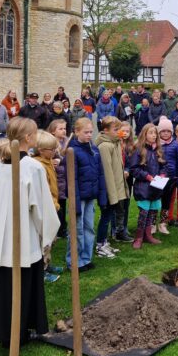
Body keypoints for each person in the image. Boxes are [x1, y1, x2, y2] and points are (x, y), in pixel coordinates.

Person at [0, 117, 60, 347]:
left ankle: (5, 332)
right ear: (29, 138)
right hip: (22, 239)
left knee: (3, 283)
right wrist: (46, 234)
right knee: (19, 285)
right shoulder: (32, 168)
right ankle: (15, 334)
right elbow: (41, 209)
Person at [67, 118, 107, 272]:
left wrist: (102, 196)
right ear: (76, 132)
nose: (89, 135)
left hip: (91, 195)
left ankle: (85, 258)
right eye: (86, 132)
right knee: (77, 229)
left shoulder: (94, 149)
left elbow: (100, 174)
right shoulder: (73, 151)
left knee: (89, 228)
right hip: (79, 197)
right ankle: (74, 261)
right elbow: (73, 179)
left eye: (91, 132)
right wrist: (75, 203)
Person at [32, 130, 65, 283]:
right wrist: (53, 204)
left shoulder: (48, 162)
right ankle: (41, 270)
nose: (54, 152)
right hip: (46, 207)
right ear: (40, 150)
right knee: (43, 241)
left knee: (51, 240)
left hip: (53, 205)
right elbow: (43, 189)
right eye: (51, 149)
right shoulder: (38, 166)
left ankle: (48, 264)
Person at [94, 116, 130, 256]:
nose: (119, 132)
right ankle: (100, 245)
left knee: (108, 216)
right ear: (105, 130)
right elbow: (107, 172)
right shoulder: (105, 146)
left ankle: (104, 242)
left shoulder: (114, 143)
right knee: (105, 217)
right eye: (116, 129)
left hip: (115, 188)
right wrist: (112, 194)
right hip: (109, 190)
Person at [128, 123, 166, 249]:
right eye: (151, 133)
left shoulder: (158, 150)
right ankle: (138, 237)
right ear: (144, 134)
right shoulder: (139, 149)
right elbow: (134, 169)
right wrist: (147, 176)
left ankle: (148, 235)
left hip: (155, 188)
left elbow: (163, 165)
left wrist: (162, 174)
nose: (154, 135)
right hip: (143, 187)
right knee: (143, 213)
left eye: (155, 133)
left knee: (152, 213)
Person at [157, 116, 178, 234]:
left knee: (167, 200)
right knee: (155, 200)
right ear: (159, 132)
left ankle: (163, 223)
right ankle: (152, 223)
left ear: (172, 132)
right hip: (158, 177)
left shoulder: (175, 144)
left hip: (172, 178)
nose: (166, 133)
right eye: (163, 131)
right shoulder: (156, 144)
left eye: (168, 131)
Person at [48, 119, 69, 239]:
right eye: (60, 129)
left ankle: (62, 228)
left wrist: (61, 160)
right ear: (52, 132)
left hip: (64, 178)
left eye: (64, 128)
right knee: (55, 205)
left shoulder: (67, 142)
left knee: (63, 203)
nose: (63, 131)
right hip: (54, 178)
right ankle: (56, 229)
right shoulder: (50, 144)